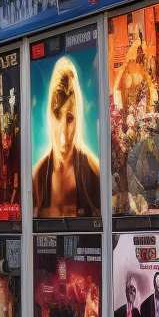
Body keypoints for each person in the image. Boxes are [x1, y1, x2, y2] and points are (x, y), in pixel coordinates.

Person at [32, 57, 102, 218]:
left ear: (78, 117)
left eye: (70, 118)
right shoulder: (37, 178)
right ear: (49, 116)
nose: (63, 134)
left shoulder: (95, 173)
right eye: (57, 115)